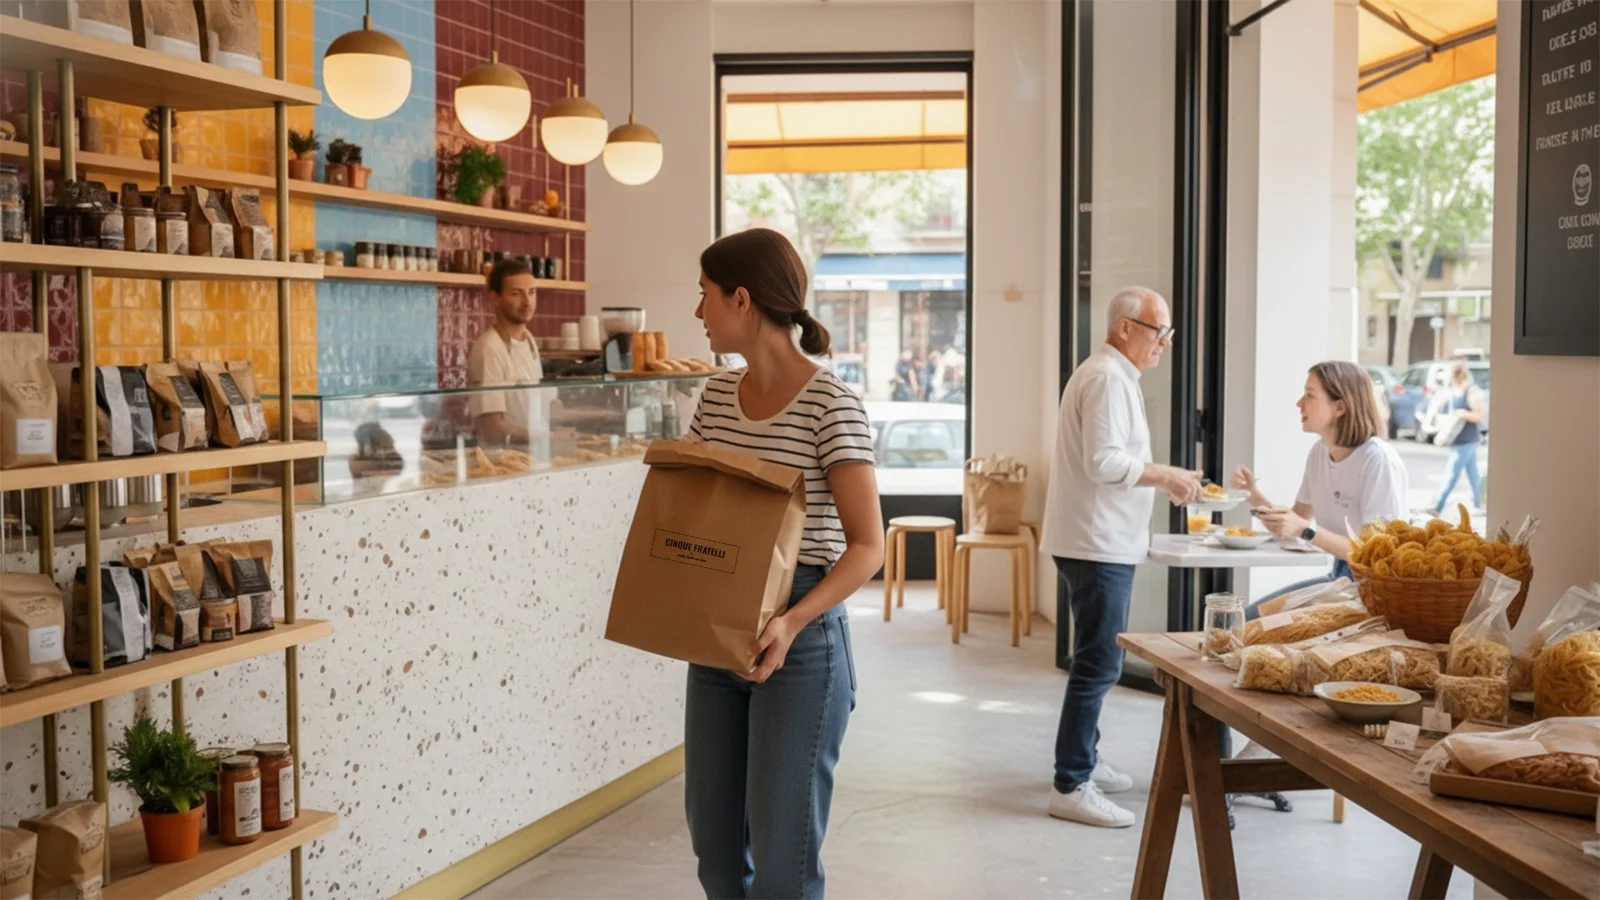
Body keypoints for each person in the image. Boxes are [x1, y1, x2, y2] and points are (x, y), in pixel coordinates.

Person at [682, 228, 884, 899]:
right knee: (715, 855)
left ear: (742, 300)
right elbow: (694, 507)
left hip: (801, 644)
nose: (697, 311)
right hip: (718, 637)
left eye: (704, 295)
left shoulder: (831, 404)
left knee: (782, 870)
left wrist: (792, 621)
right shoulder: (714, 398)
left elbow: (867, 547)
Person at [1040, 286, 1204, 829]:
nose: (1166, 343)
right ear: (1126, 328)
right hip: (1097, 543)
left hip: (1096, 540)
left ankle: (1085, 757)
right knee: (1098, 664)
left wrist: (1163, 480)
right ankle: (1071, 782)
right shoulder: (1108, 378)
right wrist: (1168, 474)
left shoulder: (1109, 375)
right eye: (1160, 331)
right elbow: (1105, 461)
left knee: (1094, 660)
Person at [1231, 360, 1409, 608]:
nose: (1299, 404)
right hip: (1340, 578)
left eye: (1309, 396)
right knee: (1245, 619)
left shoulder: (1377, 460)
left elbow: (1377, 555)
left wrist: (1306, 530)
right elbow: (1294, 521)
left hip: (1374, 590)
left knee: (1261, 628)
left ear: (1340, 408)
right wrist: (1253, 495)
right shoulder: (1319, 452)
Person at [467, 259, 543, 446]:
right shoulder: (489, 348)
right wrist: (544, 438)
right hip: (502, 462)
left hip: (532, 458)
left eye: (531, 293)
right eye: (516, 294)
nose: (527, 302)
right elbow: (492, 428)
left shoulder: (529, 341)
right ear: (495, 299)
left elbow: (545, 408)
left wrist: (596, 416)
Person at [1429, 361, 1487, 514]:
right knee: (1473, 475)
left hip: (1467, 440)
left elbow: (1480, 415)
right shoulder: (1454, 391)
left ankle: (1437, 506)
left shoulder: (1471, 392)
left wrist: (1463, 414)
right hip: (1458, 439)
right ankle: (1479, 503)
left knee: (1451, 474)